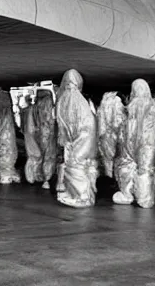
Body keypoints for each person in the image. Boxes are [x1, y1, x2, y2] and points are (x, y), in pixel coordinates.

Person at [55, 69, 98, 208]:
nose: (68, 87)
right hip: (79, 139)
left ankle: (83, 197)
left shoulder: (75, 102)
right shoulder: (73, 101)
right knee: (75, 165)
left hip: (84, 138)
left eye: (70, 84)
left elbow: (86, 125)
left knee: (75, 165)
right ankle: (76, 193)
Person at [113, 79, 155, 208]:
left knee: (129, 165)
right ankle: (144, 198)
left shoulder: (132, 107)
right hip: (146, 143)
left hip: (136, 143)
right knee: (143, 169)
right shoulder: (151, 106)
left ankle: (129, 195)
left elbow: (123, 127)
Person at [24, 89, 57, 189]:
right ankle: (46, 179)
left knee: (35, 156)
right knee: (48, 157)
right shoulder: (51, 107)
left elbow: (29, 127)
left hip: (37, 135)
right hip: (48, 135)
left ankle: (33, 177)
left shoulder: (33, 108)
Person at [97, 91, 126, 178]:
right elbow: (117, 122)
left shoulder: (103, 102)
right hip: (114, 134)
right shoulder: (117, 101)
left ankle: (108, 178)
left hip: (104, 134)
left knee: (107, 159)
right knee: (118, 158)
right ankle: (116, 180)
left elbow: (100, 120)